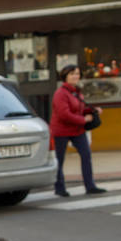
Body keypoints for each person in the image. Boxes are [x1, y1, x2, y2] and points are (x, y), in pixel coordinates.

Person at [50, 65, 106, 198]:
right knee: (59, 159)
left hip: (77, 130)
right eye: (72, 74)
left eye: (77, 73)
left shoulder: (76, 91)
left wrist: (92, 111)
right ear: (65, 77)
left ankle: (90, 186)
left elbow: (79, 109)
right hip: (61, 131)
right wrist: (83, 119)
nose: (75, 76)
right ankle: (59, 188)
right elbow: (64, 114)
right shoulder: (60, 93)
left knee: (86, 155)